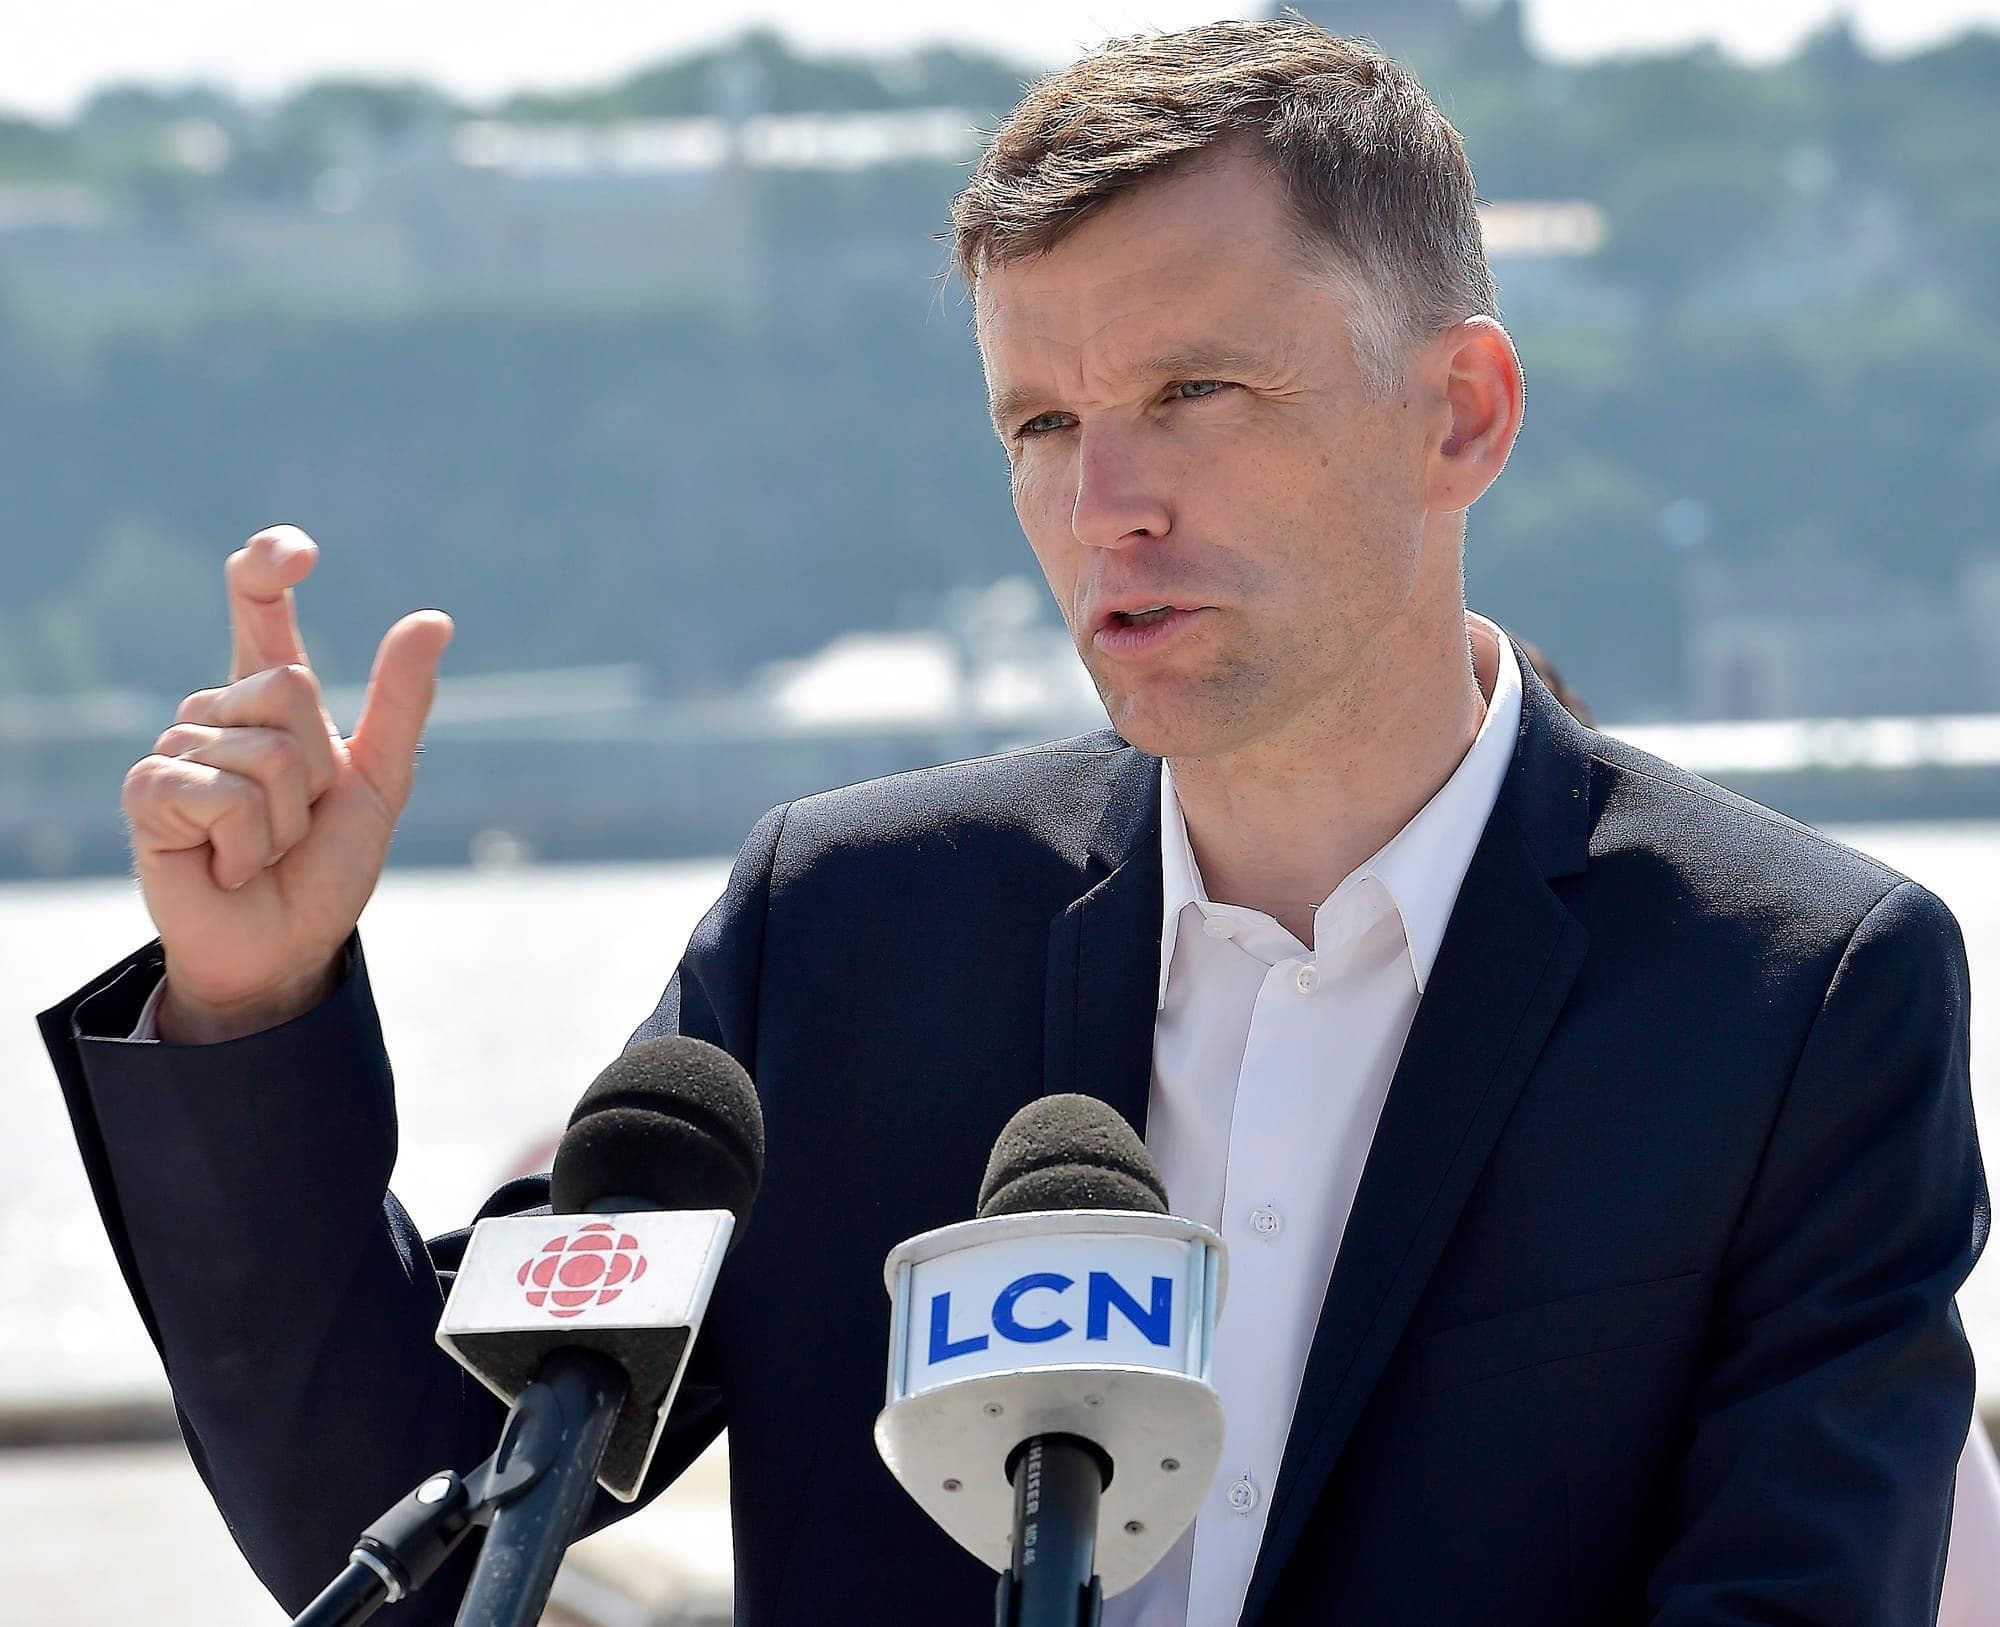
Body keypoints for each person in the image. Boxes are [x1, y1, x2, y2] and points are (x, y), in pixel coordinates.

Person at [38, 20, 1985, 1626]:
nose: (1103, 501)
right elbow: (416, 1524)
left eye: (1192, 389)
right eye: (1040, 423)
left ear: (1460, 413)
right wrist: (251, 1002)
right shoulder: (844, 929)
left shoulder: (1799, 997)